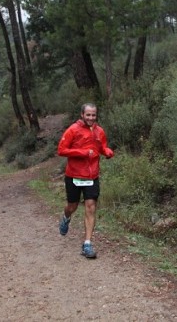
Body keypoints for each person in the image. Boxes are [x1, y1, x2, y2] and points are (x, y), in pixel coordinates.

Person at [57, 103, 114, 259]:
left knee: (90, 206)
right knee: (72, 206)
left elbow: (102, 147)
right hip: (74, 175)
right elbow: (61, 150)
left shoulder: (99, 131)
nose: (91, 118)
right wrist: (82, 153)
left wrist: (107, 151)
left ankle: (87, 244)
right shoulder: (72, 130)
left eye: (93, 115)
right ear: (82, 114)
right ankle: (66, 217)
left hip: (92, 176)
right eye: (88, 115)